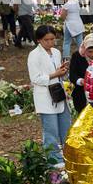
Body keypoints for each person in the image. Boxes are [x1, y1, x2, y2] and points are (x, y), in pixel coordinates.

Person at [28, 25, 71, 164]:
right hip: (45, 96)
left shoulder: (56, 52)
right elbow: (35, 78)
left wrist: (62, 71)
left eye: (53, 39)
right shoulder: (34, 55)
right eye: (47, 40)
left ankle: (68, 155)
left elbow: (58, 75)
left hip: (58, 93)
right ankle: (54, 159)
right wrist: (54, 75)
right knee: (51, 130)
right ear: (39, 40)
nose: (50, 42)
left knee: (66, 127)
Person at [69, 33, 93, 114]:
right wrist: (80, 81)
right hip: (81, 94)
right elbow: (72, 75)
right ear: (84, 49)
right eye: (90, 51)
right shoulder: (77, 56)